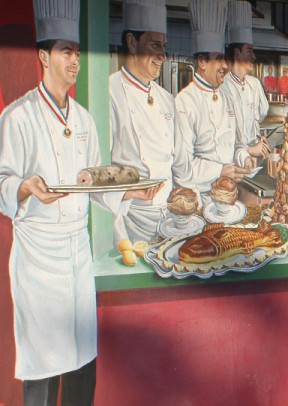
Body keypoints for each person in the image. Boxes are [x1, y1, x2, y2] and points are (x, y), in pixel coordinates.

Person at [0, 0, 161, 406]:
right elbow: (2, 179)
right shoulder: (19, 117)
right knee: (44, 363)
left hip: (75, 253)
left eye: (77, 53)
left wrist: (129, 193)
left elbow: (97, 183)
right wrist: (25, 186)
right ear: (44, 57)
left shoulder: (86, 120)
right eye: (66, 52)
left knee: (82, 357)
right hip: (38, 253)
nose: (74, 61)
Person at [110, 0, 196, 247]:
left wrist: (192, 206)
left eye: (164, 47)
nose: (162, 56)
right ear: (131, 42)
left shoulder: (165, 98)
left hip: (172, 218)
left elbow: (181, 162)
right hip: (131, 220)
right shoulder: (110, 92)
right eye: (155, 45)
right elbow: (99, 172)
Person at [175, 0, 250, 203]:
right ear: (202, 61)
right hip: (201, 198)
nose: (225, 66)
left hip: (229, 194)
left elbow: (236, 144)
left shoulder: (226, 97)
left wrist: (244, 158)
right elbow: (182, 165)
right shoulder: (184, 101)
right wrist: (220, 170)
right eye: (218, 59)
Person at [221, 0, 269, 162]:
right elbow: (222, 135)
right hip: (233, 161)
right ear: (236, 53)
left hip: (252, 158)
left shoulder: (253, 83)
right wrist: (248, 149)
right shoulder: (223, 87)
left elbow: (259, 115)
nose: (253, 56)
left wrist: (259, 137)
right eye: (249, 51)